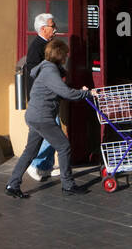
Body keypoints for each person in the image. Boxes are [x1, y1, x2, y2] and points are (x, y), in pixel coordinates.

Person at [7, 39, 93, 198]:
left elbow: (58, 92)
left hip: (35, 115)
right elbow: (66, 93)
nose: (67, 57)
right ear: (59, 55)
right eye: (66, 54)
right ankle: (68, 185)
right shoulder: (50, 71)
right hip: (42, 117)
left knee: (30, 151)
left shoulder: (46, 69)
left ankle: (13, 184)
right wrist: (87, 93)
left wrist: (78, 91)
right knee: (64, 146)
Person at [23, 13, 58, 182]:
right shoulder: (38, 47)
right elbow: (36, 73)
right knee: (52, 129)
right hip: (42, 98)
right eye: (52, 26)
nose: (55, 29)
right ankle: (36, 164)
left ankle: (44, 166)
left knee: (46, 130)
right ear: (43, 29)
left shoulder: (46, 45)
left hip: (46, 96)